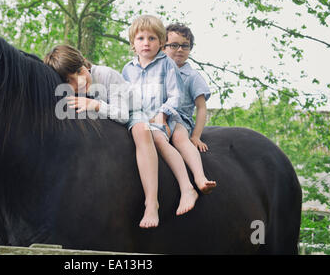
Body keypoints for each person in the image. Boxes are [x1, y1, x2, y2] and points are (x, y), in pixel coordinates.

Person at [43, 44, 161, 228]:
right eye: (69, 80)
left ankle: (152, 203)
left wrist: (95, 105)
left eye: (79, 71)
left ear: (84, 63)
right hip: (108, 116)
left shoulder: (106, 75)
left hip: (132, 110)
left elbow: (122, 115)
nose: (80, 82)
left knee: (142, 133)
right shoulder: (72, 93)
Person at [122, 15, 201, 220]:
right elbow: (124, 97)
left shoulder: (167, 64)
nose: (146, 43)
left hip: (161, 116)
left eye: (152, 39)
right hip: (137, 117)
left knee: (157, 138)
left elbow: (176, 95)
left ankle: (186, 187)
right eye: (140, 39)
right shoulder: (128, 69)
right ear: (133, 43)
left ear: (161, 42)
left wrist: (162, 114)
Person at [163, 23, 216, 194]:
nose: (179, 49)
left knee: (179, 138)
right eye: (174, 45)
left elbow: (201, 108)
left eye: (185, 46)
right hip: (157, 117)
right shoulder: (157, 72)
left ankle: (200, 177)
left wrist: (196, 136)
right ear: (163, 47)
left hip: (180, 120)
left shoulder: (192, 76)